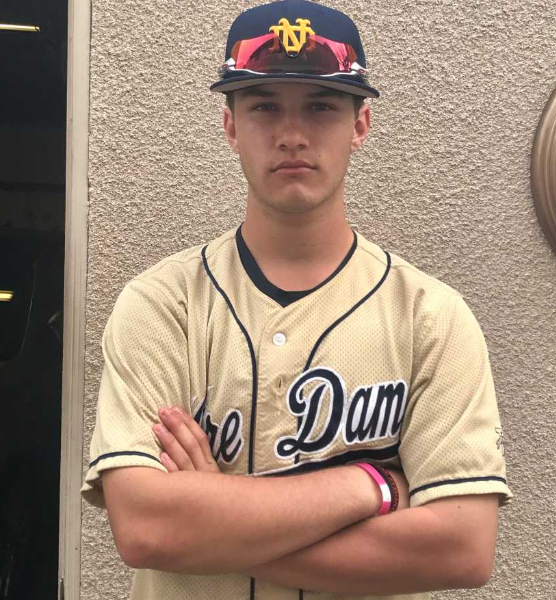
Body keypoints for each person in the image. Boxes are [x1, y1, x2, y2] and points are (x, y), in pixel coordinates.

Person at [81, 1, 512, 599]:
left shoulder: (432, 317)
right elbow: (148, 529)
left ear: (360, 124)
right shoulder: (162, 305)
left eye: (321, 106)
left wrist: (214, 523)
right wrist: (371, 487)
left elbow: (461, 548)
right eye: (263, 106)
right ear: (230, 126)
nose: (291, 135)